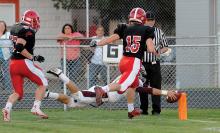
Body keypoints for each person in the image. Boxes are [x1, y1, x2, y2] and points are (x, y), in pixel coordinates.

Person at [89, 7, 177, 119]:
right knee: (122, 87)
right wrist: (158, 52)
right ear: (143, 18)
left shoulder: (125, 28)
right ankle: (102, 89)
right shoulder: (147, 30)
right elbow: (150, 48)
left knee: (134, 85)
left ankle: (131, 111)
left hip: (124, 61)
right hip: (134, 62)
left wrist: (97, 43)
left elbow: (110, 39)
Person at [46, 68, 178, 109]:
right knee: (78, 96)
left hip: (102, 97)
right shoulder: (134, 79)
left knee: (71, 103)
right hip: (101, 94)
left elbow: (146, 89)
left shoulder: (131, 77)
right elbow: (148, 90)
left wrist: (166, 92)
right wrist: (166, 92)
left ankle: (48, 95)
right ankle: (60, 74)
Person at [2, 10, 48, 122]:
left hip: (13, 63)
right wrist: (33, 57)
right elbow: (19, 47)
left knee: (18, 92)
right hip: (23, 62)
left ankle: (7, 109)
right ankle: (36, 107)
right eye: (36, 20)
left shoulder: (15, 27)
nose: (37, 23)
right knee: (43, 82)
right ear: (31, 20)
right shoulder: (28, 30)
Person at [138, 11, 170, 115]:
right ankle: (144, 109)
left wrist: (159, 52)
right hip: (142, 63)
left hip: (154, 62)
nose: (150, 22)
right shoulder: (140, 31)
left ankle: (156, 110)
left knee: (156, 86)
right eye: (148, 20)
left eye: (152, 20)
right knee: (143, 86)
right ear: (144, 20)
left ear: (154, 21)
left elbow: (165, 46)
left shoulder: (159, 32)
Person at [0, 20, 12, 91]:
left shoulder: (8, 34)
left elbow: (11, 43)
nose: (1, 27)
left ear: (5, 27)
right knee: (2, 74)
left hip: (6, 56)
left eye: (2, 26)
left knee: (7, 73)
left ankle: (8, 90)